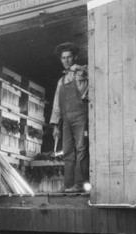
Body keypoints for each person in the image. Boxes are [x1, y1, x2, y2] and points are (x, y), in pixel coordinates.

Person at [50, 42, 89, 193]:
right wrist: (55, 126)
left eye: (69, 57)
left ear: (75, 57)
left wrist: (79, 68)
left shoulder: (82, 73)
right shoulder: (61, 81)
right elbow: (56, 105)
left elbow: (93, 72)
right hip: (66, 119)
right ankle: (68, 184)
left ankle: (81, 185)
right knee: (67, 151)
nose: (66, 60)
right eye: (63, 58)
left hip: (81, 116)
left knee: (81, 150)